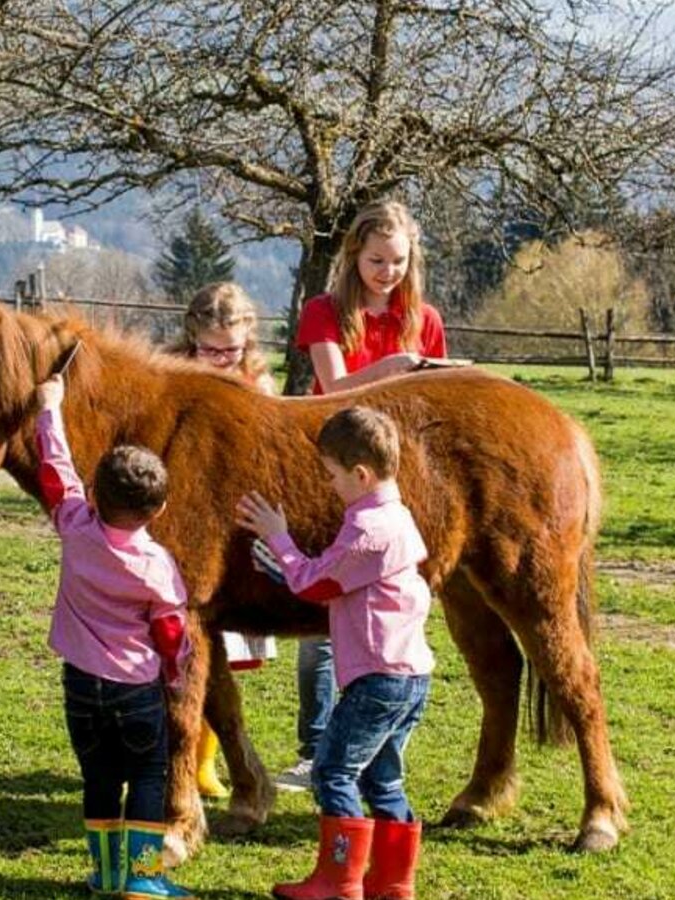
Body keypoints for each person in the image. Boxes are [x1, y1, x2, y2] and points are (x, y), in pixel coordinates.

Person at [280, 199, 452, 793]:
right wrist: (398, 366)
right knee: (326, 616)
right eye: (377, 260)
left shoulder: (423, 317)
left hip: (396, 482)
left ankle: (376, 748)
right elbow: (333, 389)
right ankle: (315, 745)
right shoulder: (325, 313)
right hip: (333, 473)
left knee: (393, 613)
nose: (388, 272)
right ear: (355, 256)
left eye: (399, 261)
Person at [236, 407, 432, 900]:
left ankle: (339, 880)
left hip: (378, 679)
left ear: (361, 474)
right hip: (410, 674)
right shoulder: (396, 515)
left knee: (333, 771)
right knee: (383, 777)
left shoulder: (368, 531)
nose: (329, 485)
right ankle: (393, 882)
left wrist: (276, 535)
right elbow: (332, 573)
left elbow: (314, 582)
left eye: (332, 475)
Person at [35, 372, 195, 899]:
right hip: (136, 689)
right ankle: (143, 877)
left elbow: (56, 471)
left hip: (80, 683)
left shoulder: (75, 525)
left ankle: (104, 873)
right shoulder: (157, 565)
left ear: (96, 496)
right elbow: (171, 632)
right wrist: (174, 676)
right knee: (148, 776)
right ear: (160, 510)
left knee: (99, 777)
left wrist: (49, 409)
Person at [168, 281, 278, 799]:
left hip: (239, 525)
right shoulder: (172, 377)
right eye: (210, 349)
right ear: (193, 338)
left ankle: (208, 760)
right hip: (188, 518)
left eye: (229, 350)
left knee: (225, 653)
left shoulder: (258, 381)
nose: (219, 358)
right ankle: (192, 761)